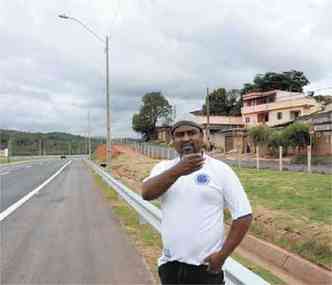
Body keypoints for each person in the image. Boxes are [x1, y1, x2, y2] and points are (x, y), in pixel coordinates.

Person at [142, 115, 252, 284]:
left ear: (202, 136)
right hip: (170, 267)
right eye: (179, 134)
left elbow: (243, 215)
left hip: (206, 268)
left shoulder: (221, 170)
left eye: (191, 133)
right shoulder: (163, 168)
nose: (186, 138)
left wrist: (221, 256)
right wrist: (178, 170)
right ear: (173, 140)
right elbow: (146, 193)